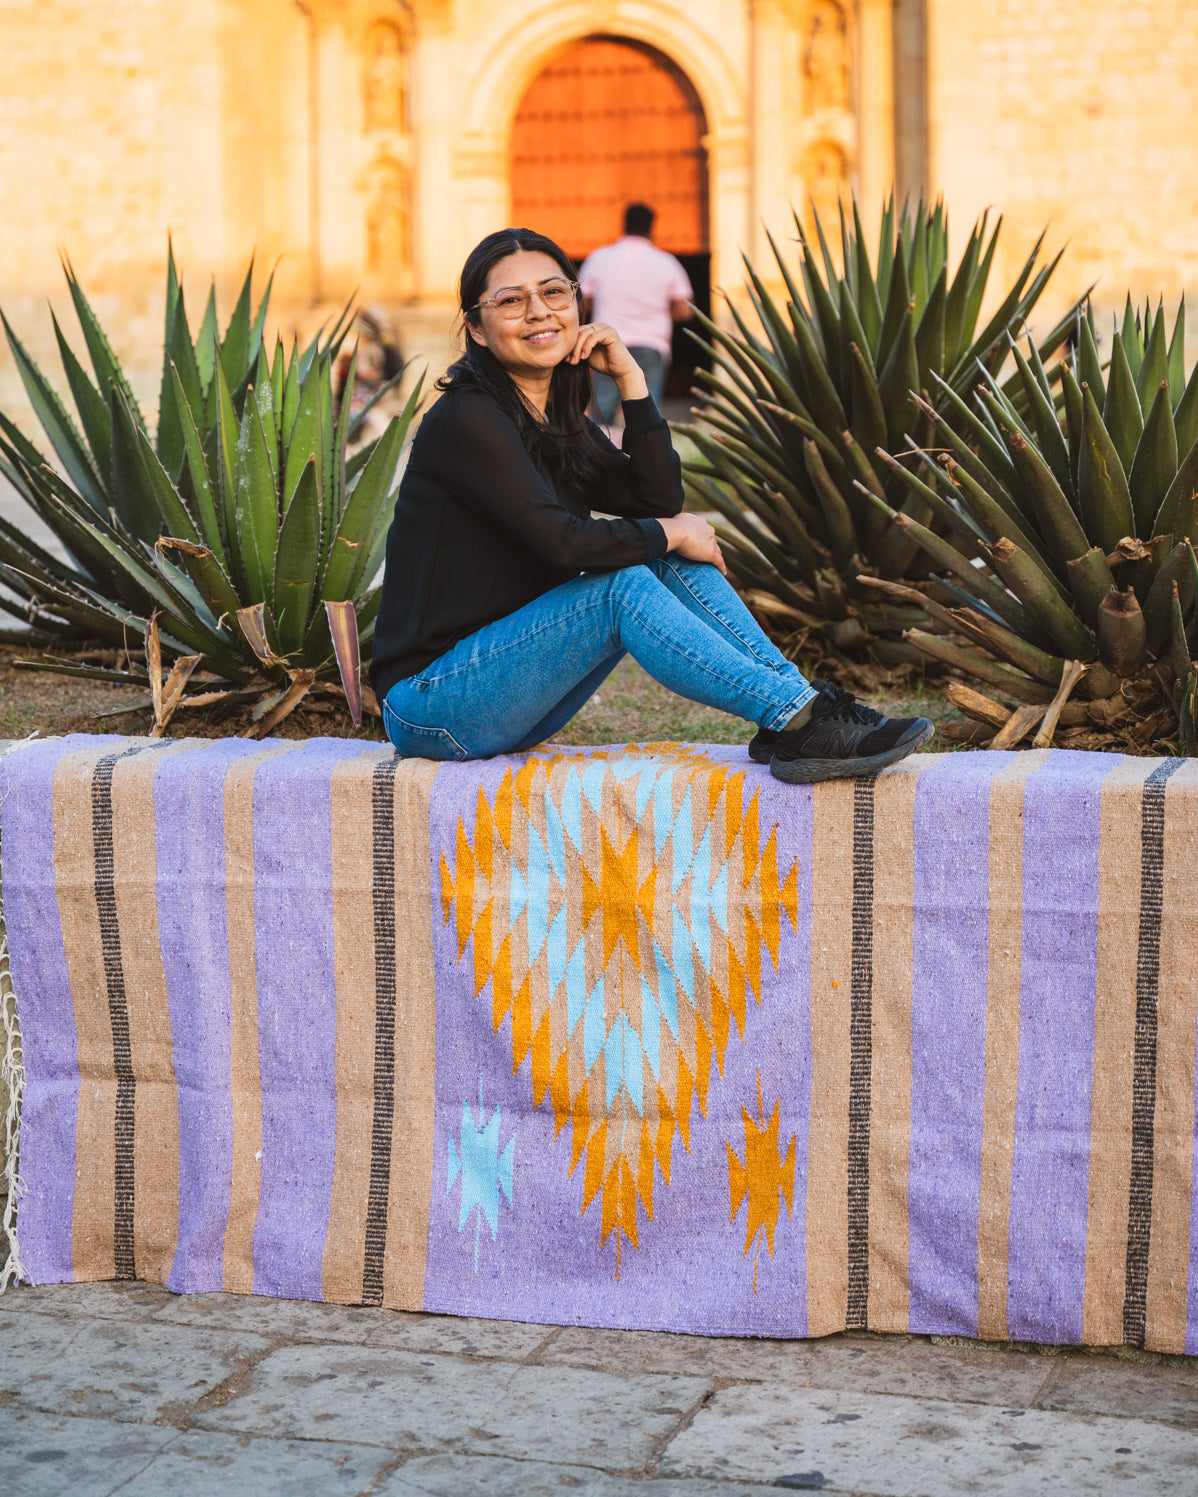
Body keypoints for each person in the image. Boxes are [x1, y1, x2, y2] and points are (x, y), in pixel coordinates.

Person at [369, 227, 933, 782]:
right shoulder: (467, 418)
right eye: (511, 301)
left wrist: (633, 382)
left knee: (667, 558)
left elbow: (656, 499)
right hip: (431, 705)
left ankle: (801, 713)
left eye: (553, 292)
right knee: (625, 584)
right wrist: (674, 530)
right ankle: (798, 716)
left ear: (577, 302)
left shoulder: (557, 419)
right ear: (478, 328)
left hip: (510, 693)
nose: (538, 311)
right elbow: (562, 543)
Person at [579, 203, 693, 424]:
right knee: (646, 411)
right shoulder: (666, 262)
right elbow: (685, 310)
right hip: (651, 344)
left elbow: (582, 301)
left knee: (602, 410)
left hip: (607, 341)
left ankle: (596, 455)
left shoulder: (600, 258)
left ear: (625, 224)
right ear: (652, 227)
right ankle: (646, 456)